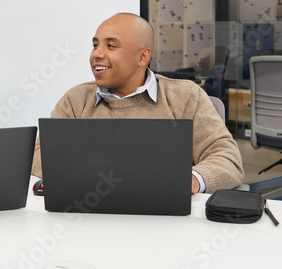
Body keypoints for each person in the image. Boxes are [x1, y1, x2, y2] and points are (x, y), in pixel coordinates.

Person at [31, 13, 244, 194]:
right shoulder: (76, 100)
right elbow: (40, 156)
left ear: (142, 57)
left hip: (164, 223)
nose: (97, 53)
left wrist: (194, 179)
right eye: (95, 45)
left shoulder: (186, 96)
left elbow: (227, 159)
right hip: (91, 216)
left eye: (111, 46)